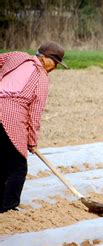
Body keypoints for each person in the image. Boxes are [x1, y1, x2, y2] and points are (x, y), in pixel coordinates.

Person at [0, 42, 67, 213]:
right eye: (55, 63)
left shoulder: (17, 56)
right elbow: (34, 114)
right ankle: (8, 206)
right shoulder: (41, 78)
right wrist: (31, 141)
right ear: (45, 58)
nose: (55, 68)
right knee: (18, 166)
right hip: (11, 117)